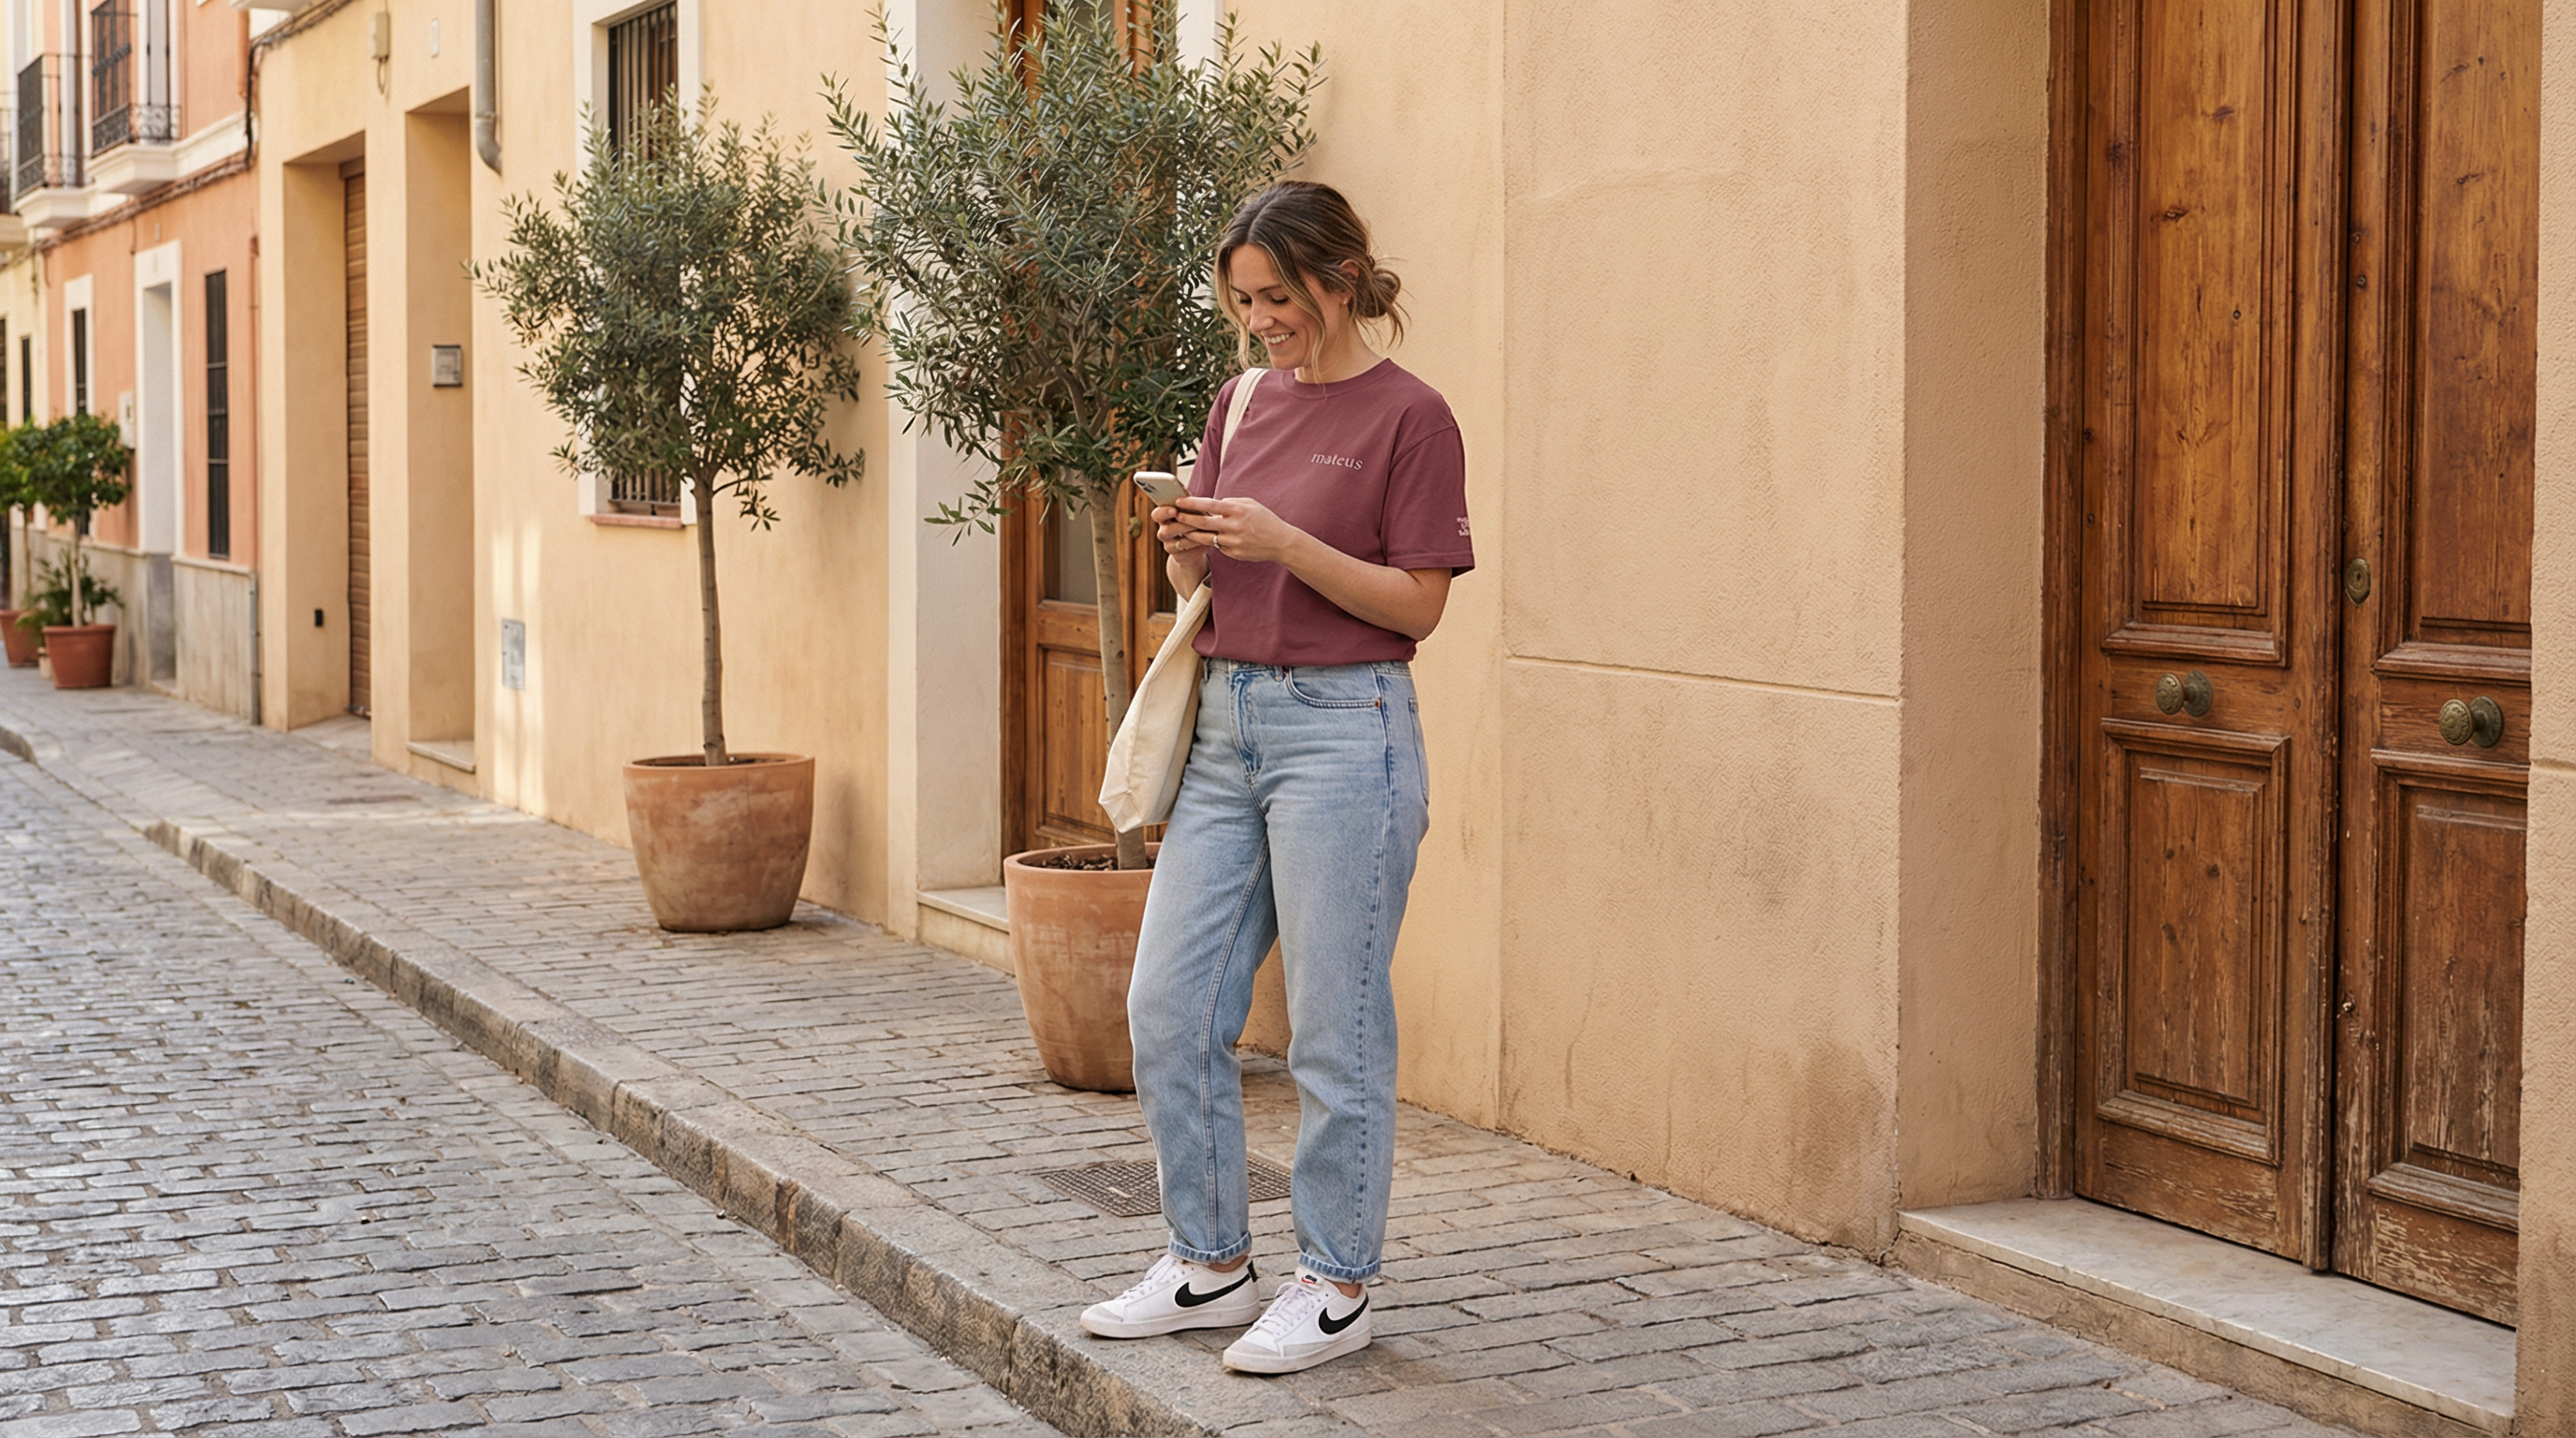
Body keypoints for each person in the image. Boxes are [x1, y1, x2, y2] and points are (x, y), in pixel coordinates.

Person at [1077, 181, 1472, 1375]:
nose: (1259, 324)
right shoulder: (1240, 400)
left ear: (1339, 280)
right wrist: (1190, 546)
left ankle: (1338, 1280)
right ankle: (1209, 1262)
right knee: (1168, 1004)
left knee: (1334, 1028)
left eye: (1278, 299)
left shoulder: (1414, 417)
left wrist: (1286, 542)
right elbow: (1208, 584)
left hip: (1345, 731)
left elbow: (1419, 603)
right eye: (1243, 301)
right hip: (1227, 722)